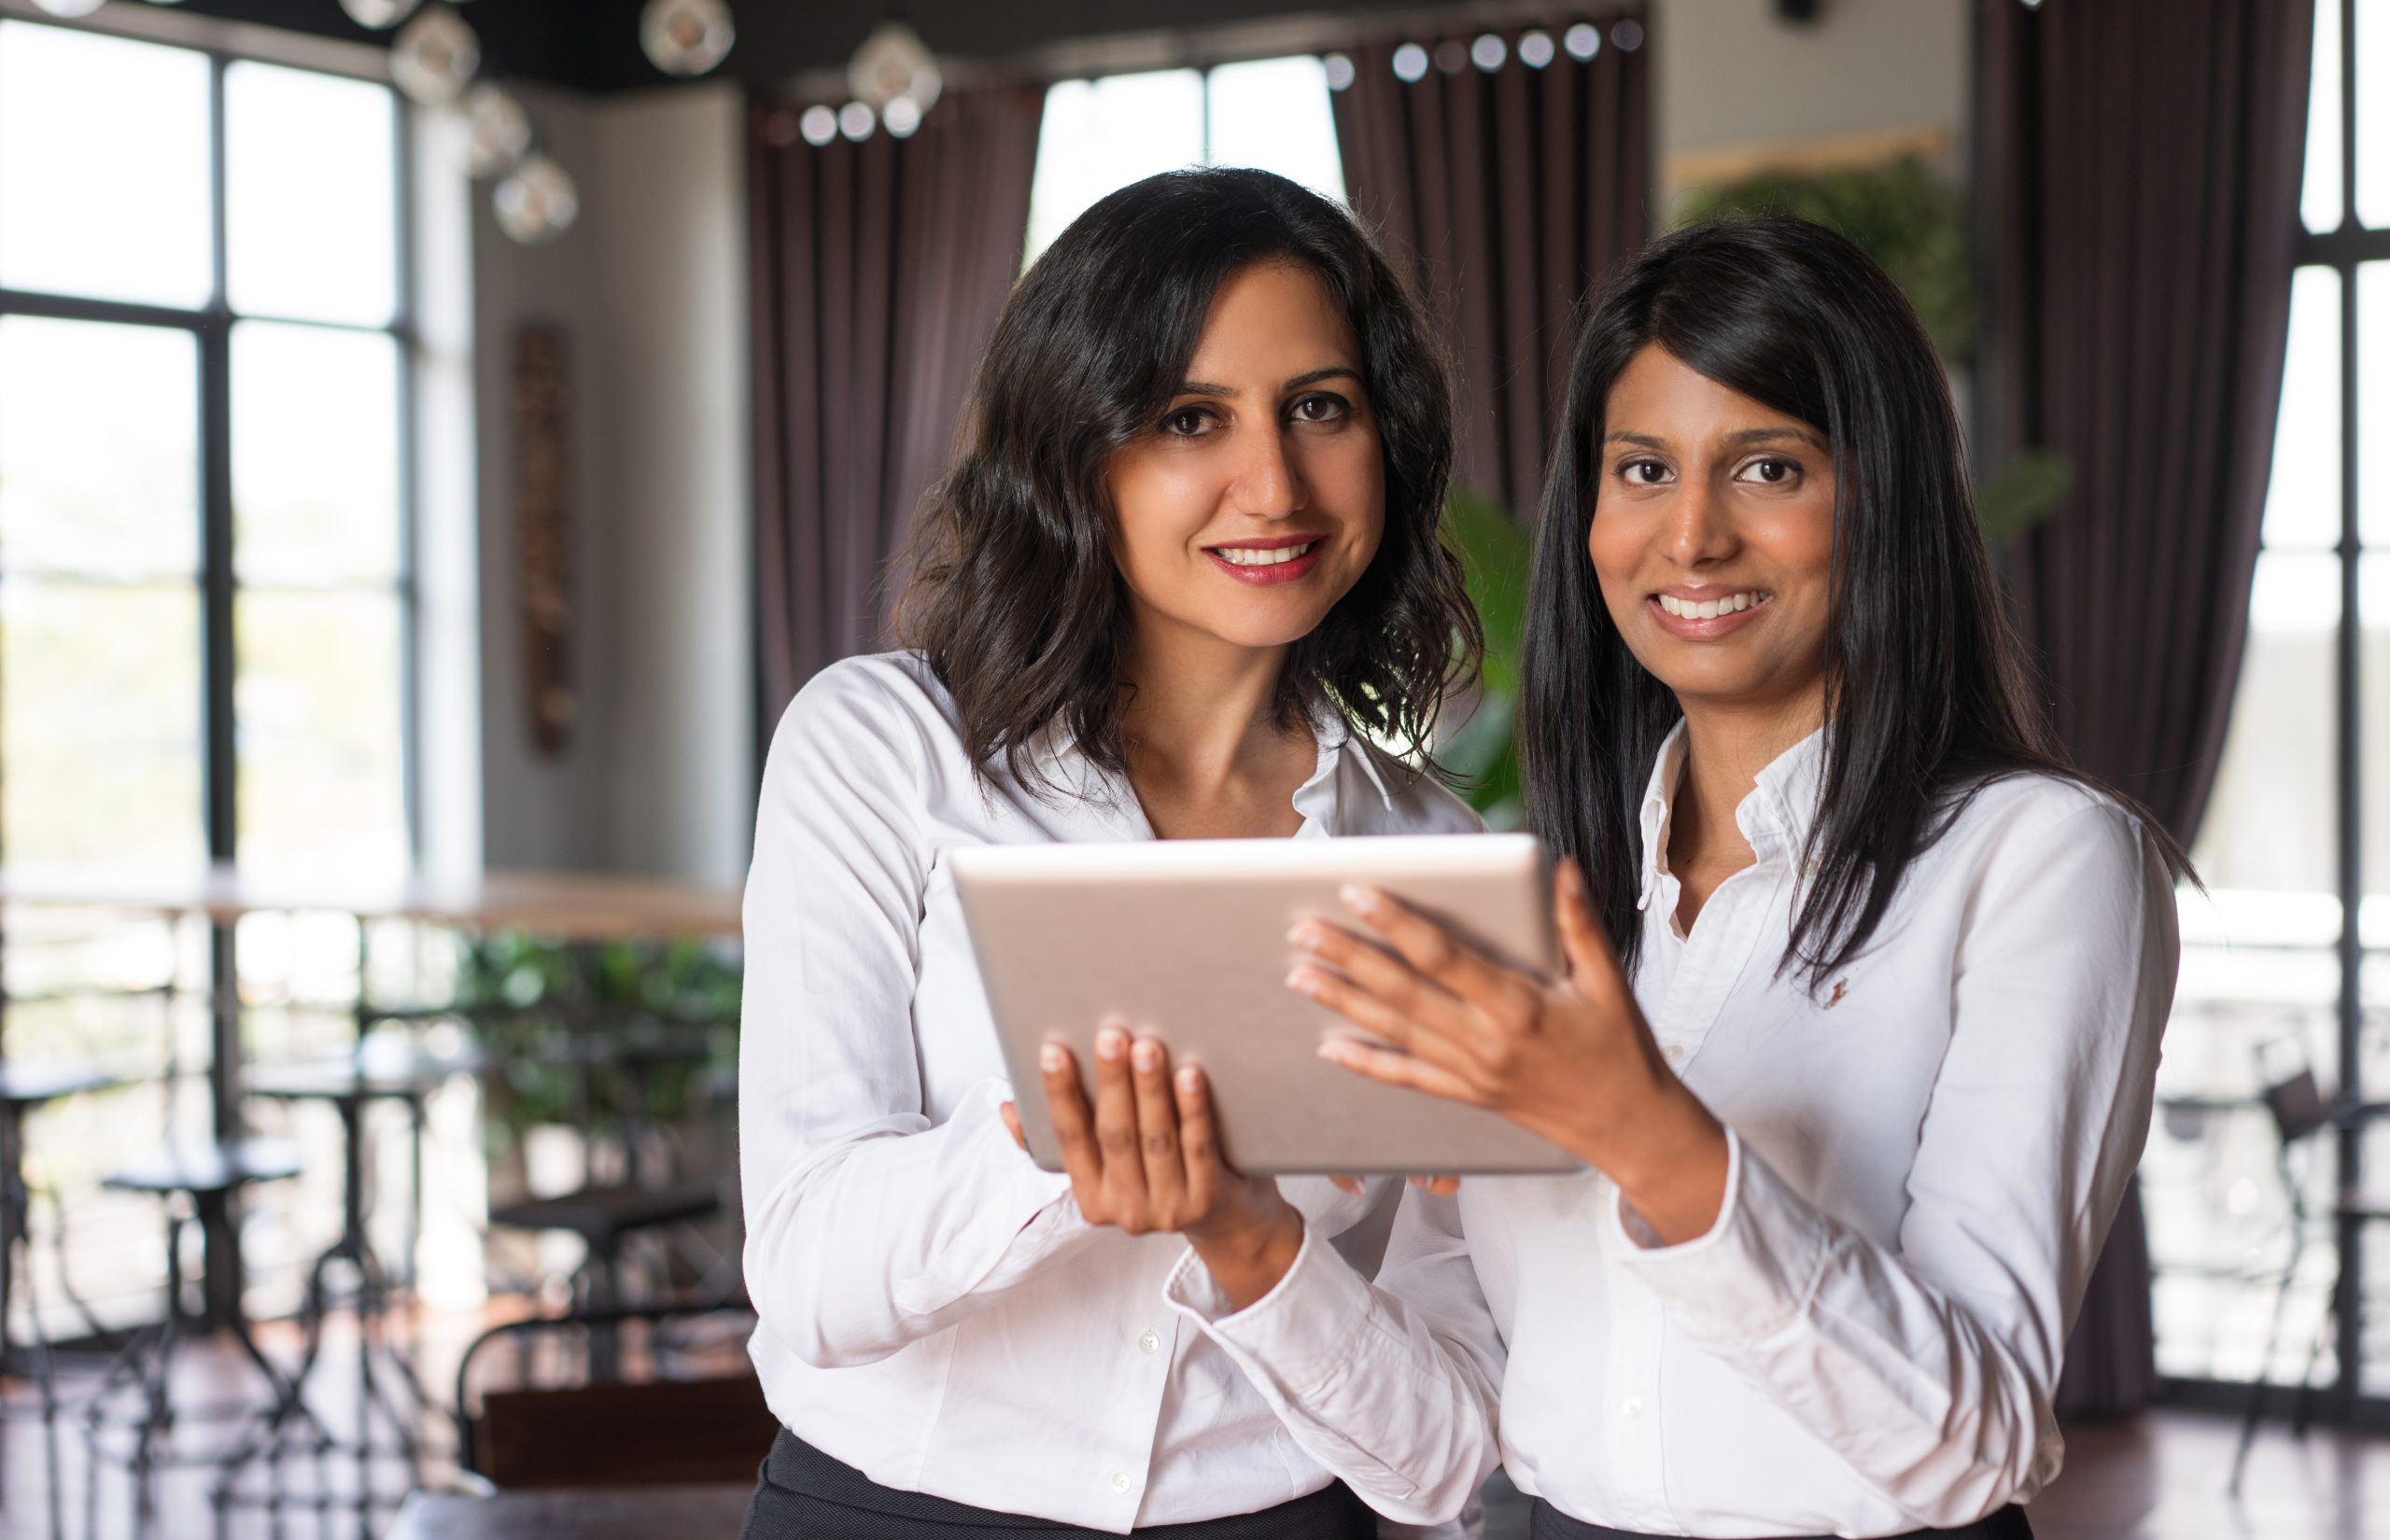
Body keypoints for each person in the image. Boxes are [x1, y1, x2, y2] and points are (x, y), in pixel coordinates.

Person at [1042, 216, 2185, 1539]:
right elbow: (1440, 1446)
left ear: (1884, 499)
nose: (1691, 535)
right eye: (1642, 468)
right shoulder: (1528, 912)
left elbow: (1970, 1442)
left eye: (1767, 466)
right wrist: (1241, 1235)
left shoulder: (2038, 863)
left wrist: (1646, 1135)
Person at [735, 166, 1483, 1539]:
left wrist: (1252, 1242)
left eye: (1321, 406)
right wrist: (1063, 1139)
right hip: (892, 1513)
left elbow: (1443, 1460)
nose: (1274, 482)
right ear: (1078, 448)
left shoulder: (1438, 859)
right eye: (1190, 418)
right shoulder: (880, 747)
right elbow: (807, 1269)